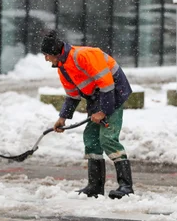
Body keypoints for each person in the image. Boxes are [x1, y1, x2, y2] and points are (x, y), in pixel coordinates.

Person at [41, 31, 134, 199]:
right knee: (91, 138)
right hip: (97, 98)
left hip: (114, 94)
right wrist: (62, 118)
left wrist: (103, 111)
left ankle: (126, 187)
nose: (46, 59)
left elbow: (107, 85)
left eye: (47, 55)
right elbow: (72, 95)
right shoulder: (63, 68)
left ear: (55, 53)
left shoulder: (82, 56)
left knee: (108, 139)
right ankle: (95, 186)